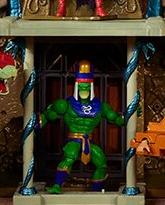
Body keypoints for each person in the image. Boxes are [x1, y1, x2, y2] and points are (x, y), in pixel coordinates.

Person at [37, 61, 124, 193]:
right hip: (74, 139)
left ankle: (96, 192)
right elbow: (47, 116)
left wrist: (127, 116)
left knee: (101, 163)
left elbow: (116, 119)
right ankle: (56, 186)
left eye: (87, 87)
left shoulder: (101, 107)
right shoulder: (66, 104)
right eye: (82, 86)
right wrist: (37, 123)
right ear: (77, 86)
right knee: (69, 157)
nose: (84, 89)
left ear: (91, 87)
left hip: (89, 140)